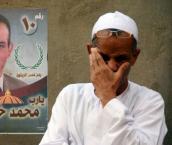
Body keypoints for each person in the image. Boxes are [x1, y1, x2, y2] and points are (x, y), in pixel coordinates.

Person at [39, 11, 167, 145]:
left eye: (121, 58)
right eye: (104, 57)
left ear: (134, 56)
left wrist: (107, 96)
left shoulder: (150, 101)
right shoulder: (70, 96)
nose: (111, 66)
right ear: (90, 52)